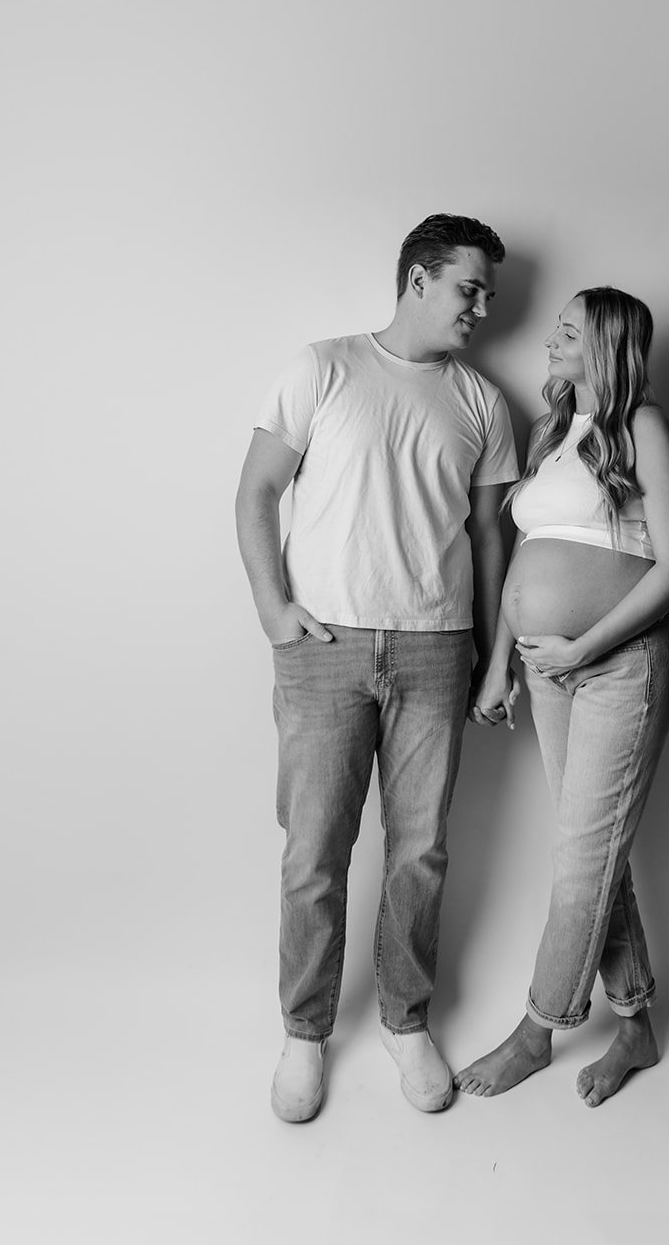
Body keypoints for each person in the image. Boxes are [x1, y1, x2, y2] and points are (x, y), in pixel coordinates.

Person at [235, 214, 517, 1123]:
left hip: (437, 649)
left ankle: (405, 1019)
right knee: (312, 851)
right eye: (469, 287)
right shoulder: (322, 368)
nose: (482, 306)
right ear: (418, 279)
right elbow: (255, 494)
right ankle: (304, 1032)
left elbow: (487, 538)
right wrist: (275, 613)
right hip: (324, 650)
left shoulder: (481, 402)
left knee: (420, 850)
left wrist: (492, 658)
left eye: (488, 293)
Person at [455, 286, 669, 1107]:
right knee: (594, 854)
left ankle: (538, 1027)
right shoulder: (553, 431)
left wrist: (583, 645)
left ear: (607, 346)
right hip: (546, 668)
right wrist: (502, 666)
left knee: (579, 862)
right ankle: (634, 1023)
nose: (550, 338)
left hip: (620, 667)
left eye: (568, 330)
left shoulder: (646, 428)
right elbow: (529, 555)